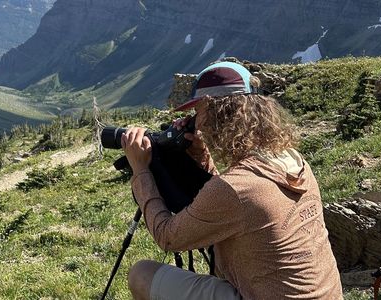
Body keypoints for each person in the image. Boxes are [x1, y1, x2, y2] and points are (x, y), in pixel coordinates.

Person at [121, 62, 343, 299]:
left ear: (221, 113)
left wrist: (141, 169)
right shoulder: (293, 161)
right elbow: (237, 203)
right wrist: (203, 157)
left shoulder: (236, 189)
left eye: (200, 111)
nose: (196, 121)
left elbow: (168, 237)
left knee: (141, 274)